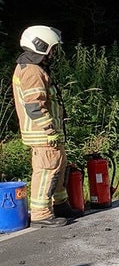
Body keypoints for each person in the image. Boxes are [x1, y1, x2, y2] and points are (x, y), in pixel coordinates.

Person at [12, 25, 81, 227]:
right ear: (40, 45)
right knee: (47, 169)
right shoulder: (32, 71)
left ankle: (60, 204)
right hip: (43, 134)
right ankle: (41, 214)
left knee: (58, 167)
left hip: (49, 133)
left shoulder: (34, 67)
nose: (53, 53)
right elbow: (35, 106)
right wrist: (49, 129)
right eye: (51, 48)